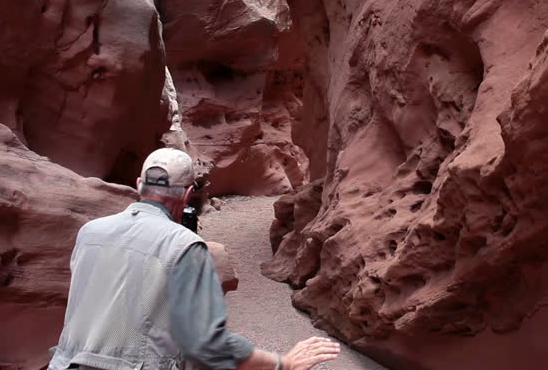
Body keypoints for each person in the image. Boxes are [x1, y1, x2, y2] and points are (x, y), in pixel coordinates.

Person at [48, 148, 340, 370]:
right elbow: (206, 343)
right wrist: (281, 363)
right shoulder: (184, 246)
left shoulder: (90, 233)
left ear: (139, 184)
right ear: (188, 193)